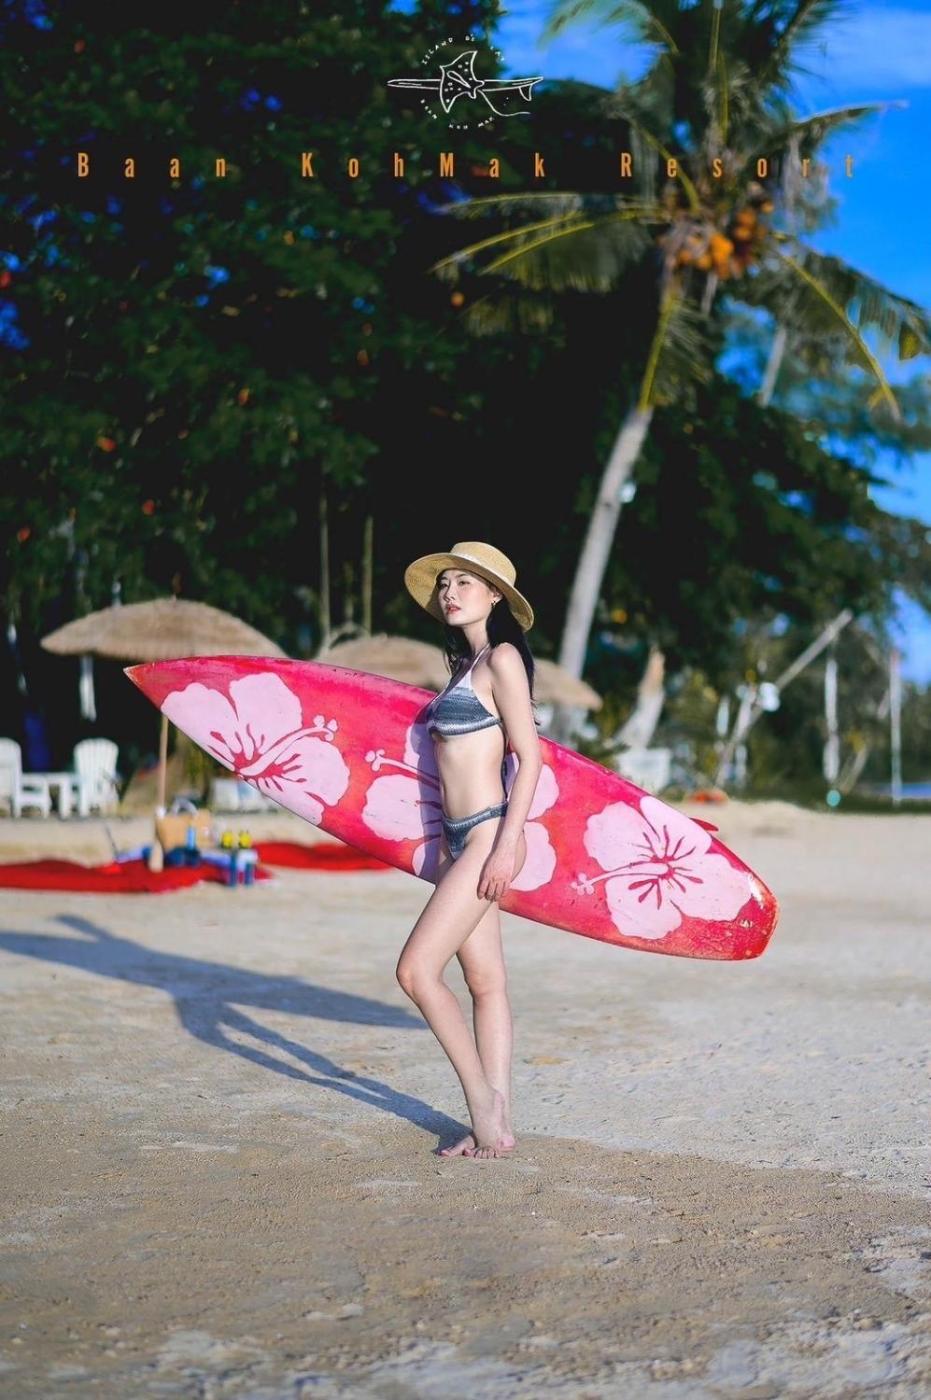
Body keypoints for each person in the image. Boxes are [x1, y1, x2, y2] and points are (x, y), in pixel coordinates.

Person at [398, 542, 543, 1159]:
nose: (449, 592)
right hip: (458, 842)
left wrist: (507, 846)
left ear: (494, 597)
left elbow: (530, 758)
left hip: (488, 835)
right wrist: (440, 848)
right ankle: (499, 1122)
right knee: (485, 982)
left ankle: (481, 1104)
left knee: (415, 971)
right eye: (445, 584)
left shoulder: (502, 659)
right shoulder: (464, 666)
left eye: (464, 583)